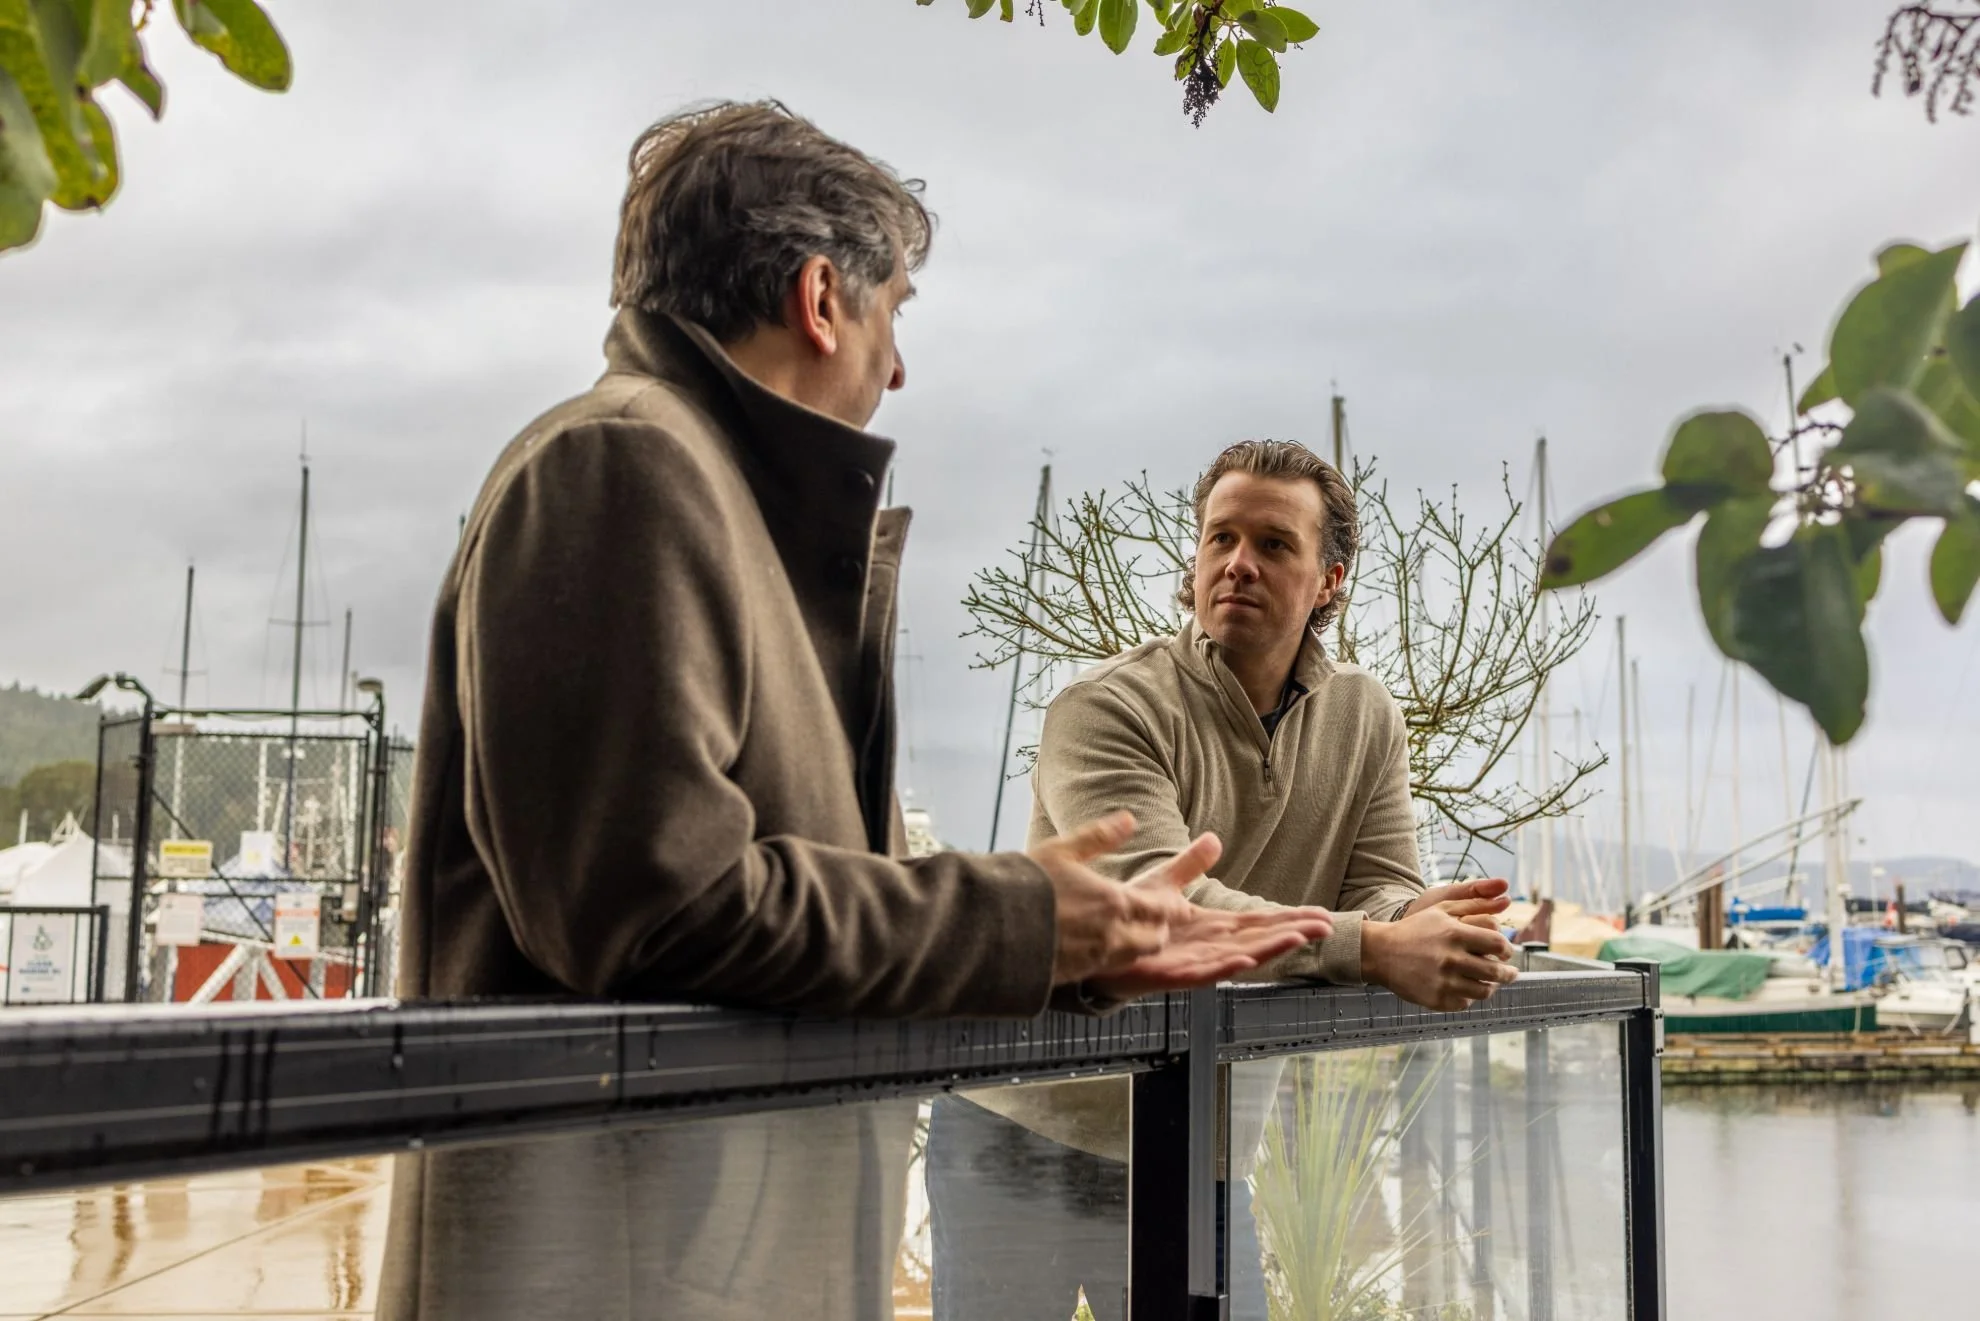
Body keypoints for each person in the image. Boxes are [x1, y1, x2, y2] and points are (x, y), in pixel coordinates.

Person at [376, 104, 1334, 1321]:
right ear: (823, 298)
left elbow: (810, 919)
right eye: (895, 314)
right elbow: (656, 905)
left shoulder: (714, 501)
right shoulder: (620, 464)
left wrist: (1073, 957)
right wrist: (1029, 920)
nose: (897, 368)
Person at [927, 440, 1518, 1321]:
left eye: (1273, 544)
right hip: (1019, 1126)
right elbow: (1161, 910)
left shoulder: (1365, 716)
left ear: (1329, 580)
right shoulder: (1104, 706)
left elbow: (1381, 886)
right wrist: (1377, 946)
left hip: (1199, 1138)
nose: (1238, 562)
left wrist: (1418, 917)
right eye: (1220, 538)